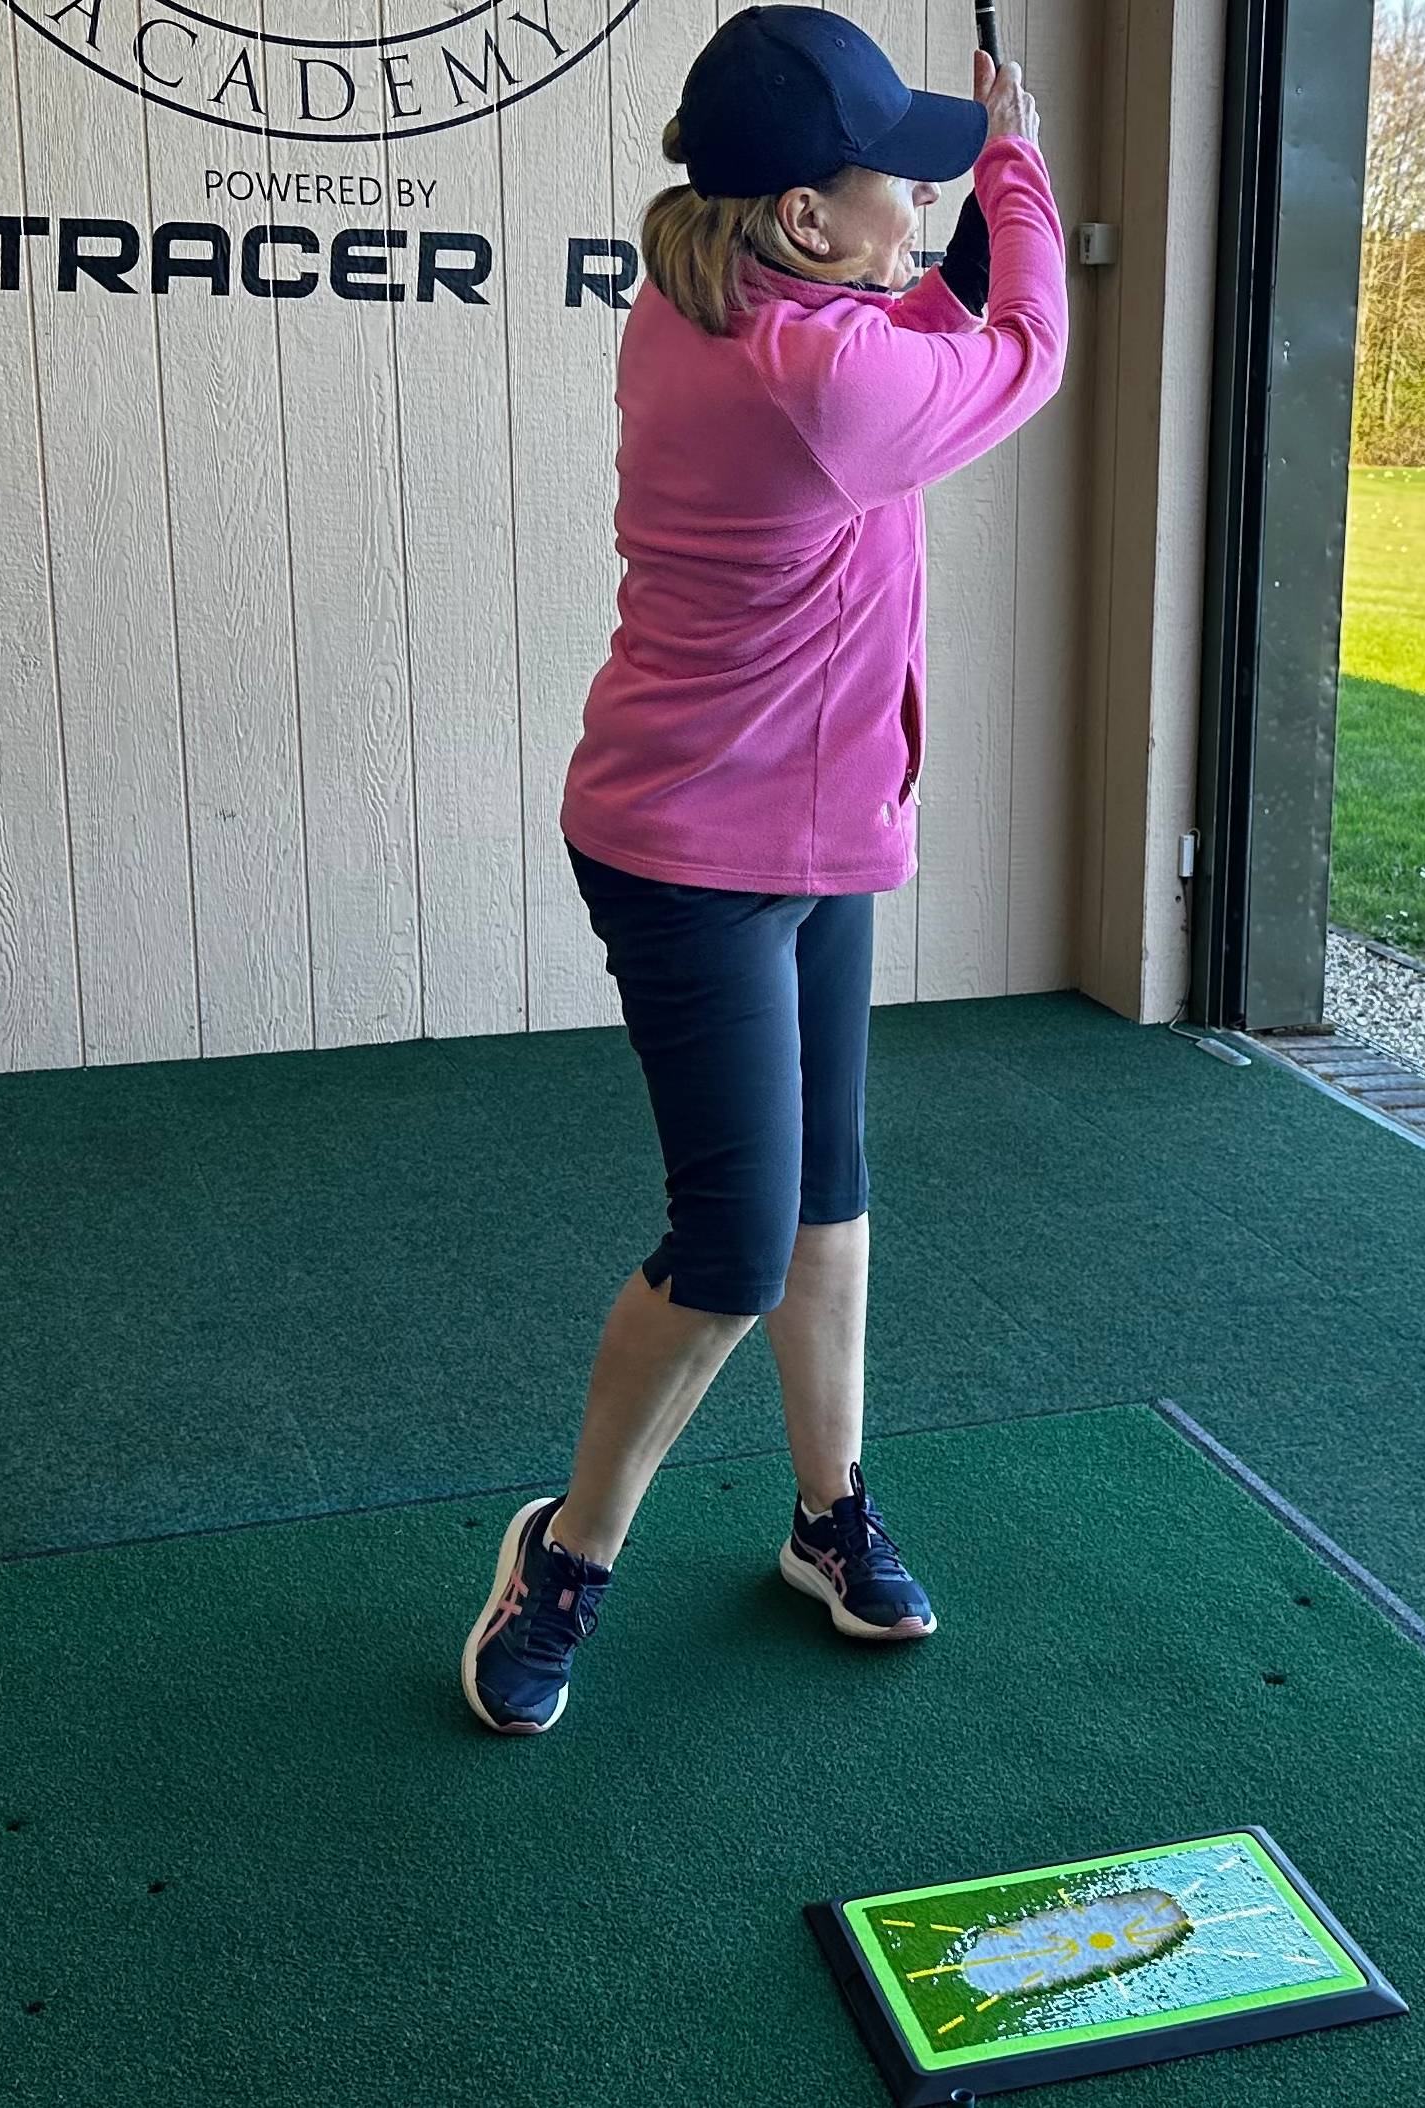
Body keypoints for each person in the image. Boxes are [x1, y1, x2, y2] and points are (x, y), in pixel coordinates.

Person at [460, 5, 1063, 1737]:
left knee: (830, 1198)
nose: (923, 203)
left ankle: (826, 1516)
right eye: (901, 179)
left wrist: (943, 216)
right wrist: (1017, 169)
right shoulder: (815, 379)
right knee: (732, 1245)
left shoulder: (721, 300)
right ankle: (566, 1556)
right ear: (803, 219)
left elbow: (921, 327)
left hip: (816, 831)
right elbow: (1018, 344)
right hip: (694, 854)